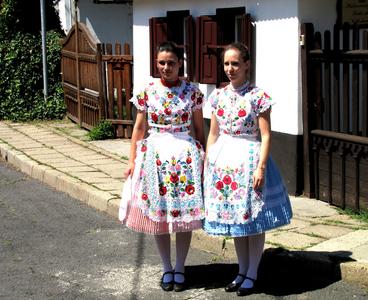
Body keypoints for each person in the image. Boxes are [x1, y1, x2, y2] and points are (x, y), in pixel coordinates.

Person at [203, 42, 292, 296]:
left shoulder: (258, 96)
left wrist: (261, 167)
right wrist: (209, 163)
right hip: (224, 165)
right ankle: (241, 271)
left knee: (252, 219)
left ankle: (253, 272)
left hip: (249, 161)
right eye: (226, 64)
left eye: (235, 63)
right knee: (235, 220)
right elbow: (213, 133)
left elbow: (265, 135)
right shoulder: (218, 96)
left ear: (246, 65)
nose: (230, 69)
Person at [121, 41, 205, 292]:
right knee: (158, 217)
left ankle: (180, 267)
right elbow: (139, 127)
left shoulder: (193, 92)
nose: (165, 67)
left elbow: (199, 129)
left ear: (180, 63)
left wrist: (203, 158)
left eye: (171, 63)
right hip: (154, 155)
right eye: (161, 63)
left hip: (184, 158)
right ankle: (166, 267)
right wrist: (132, 160)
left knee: (183, 217)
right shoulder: (147, 90)